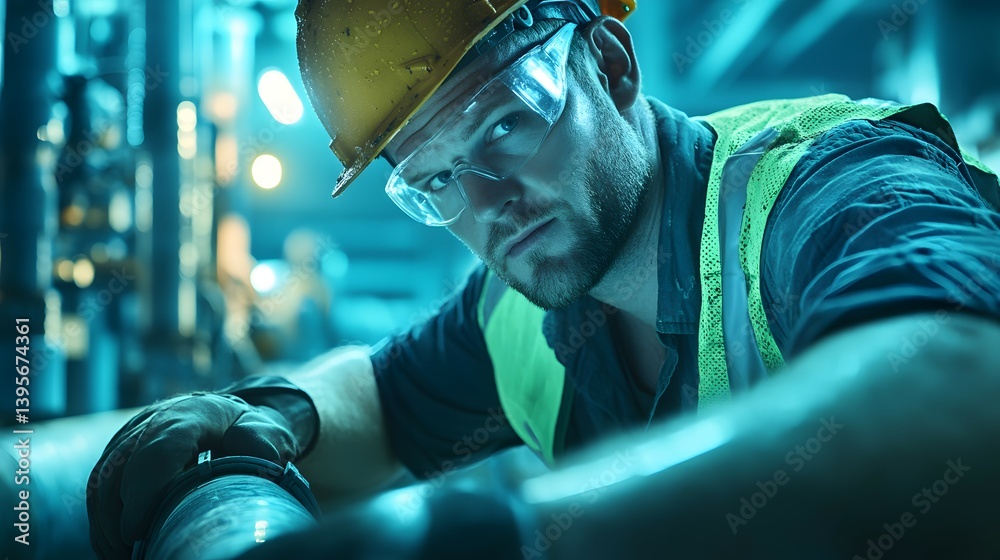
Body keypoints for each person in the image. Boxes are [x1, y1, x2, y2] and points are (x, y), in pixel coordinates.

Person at [88, 1, 1000, 558]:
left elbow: (962, 381)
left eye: (503, 126)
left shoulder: (826, 184)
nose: (489, 203)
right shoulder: (524, 311)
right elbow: (385, 395)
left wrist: (513, 538)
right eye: (436, 180)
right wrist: (275, 412)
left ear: (609, 64)